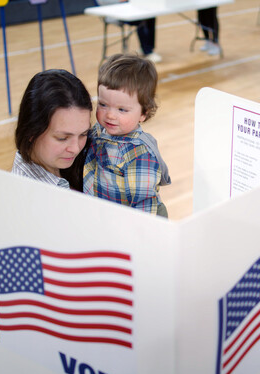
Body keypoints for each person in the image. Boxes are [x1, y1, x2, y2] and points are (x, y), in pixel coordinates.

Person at [83, 54, 171, 217]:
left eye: (121, 109)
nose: (110, 115)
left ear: (143, 113)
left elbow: (143, 206)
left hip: (135, 223)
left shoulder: (139, 154)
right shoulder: (100, 130)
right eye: (103, 104)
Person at [12, 69, 92, 189]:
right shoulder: (26, 193)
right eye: (62, 138)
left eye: (83, 134)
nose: (75, 149)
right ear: (31, 132)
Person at [95, 0, 161, 63]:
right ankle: (147, 51)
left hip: (128, 9)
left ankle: (147, 48)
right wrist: (118, 1)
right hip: (115, 14)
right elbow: (102, 2)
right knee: (142, 20)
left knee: (150, 16)